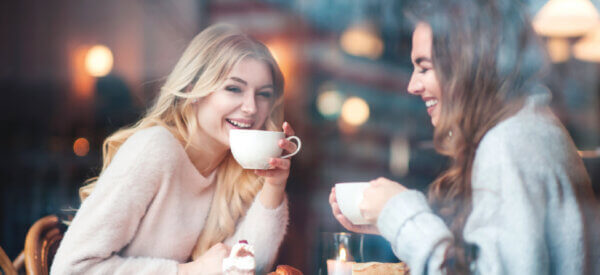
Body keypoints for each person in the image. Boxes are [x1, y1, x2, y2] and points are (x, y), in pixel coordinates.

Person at [329, 0, 599, 274]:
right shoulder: (528, 130)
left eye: (424, 68)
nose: (412, 85)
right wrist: (389, 225)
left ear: (465, 67)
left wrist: (400, 215)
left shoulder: (508, 145)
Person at [52, 23, 297, 275]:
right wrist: (189, 272)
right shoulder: (155, 149)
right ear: (193, 91)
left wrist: (274, 186)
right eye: (234, 88)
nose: (251, 108)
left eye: (263, 94)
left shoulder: (232, 167)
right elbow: (70, 269)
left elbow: (251, 267)